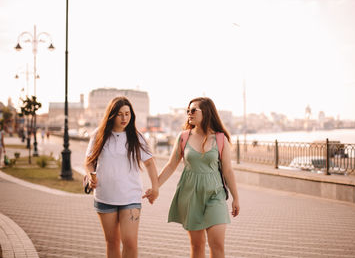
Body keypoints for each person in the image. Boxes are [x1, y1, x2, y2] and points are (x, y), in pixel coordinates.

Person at [145, 97, 240, 258]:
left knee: (217, 244)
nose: (189, 113)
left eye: (193, 110)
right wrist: (155, 186)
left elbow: (228, 171)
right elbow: (170, 165)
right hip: (190, 195)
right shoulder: (183, 137)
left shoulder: (220, 138)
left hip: (215, 194)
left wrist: (236, 198)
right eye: (188, 110)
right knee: (197, 246)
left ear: (207, 112)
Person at [84, 96, 159, 258]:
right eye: (120, 114)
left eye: (127, 113)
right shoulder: (99, 135)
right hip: (105, 197)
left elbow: (150, 163)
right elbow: (89, 162)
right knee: (112, 242)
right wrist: (91, 176)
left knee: (130, 241)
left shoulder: (136, 137)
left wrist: (155, 187)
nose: (124, 118)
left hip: (131, 197)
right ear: (112, 115)